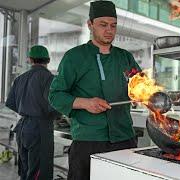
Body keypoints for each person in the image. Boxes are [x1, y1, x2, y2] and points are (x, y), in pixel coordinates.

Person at [48, 1, 141, 180]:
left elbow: (140, 84)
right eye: (103, 25)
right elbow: (55, 95)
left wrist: (142, 94)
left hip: (124, 139)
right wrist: (85, 103)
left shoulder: (125, 57)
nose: (109, 30)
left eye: (113, 25)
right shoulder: (74, 57)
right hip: (89, 140)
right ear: (90, 25)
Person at [5, 45, 60, 180]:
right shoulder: (50, 79)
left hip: (22, 128)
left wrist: (27, 110)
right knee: (40, 172)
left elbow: (10, 103)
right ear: (48, 60)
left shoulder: (20, 78)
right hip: (40, 129)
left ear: (30, 59)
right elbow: (56, 106)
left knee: (25, 169)